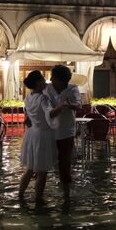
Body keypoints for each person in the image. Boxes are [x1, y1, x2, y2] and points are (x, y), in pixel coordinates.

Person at [18, 70, 65, 203]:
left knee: (30, 169)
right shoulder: (43, 98)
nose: (45, 82)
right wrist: (62, 106)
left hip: (31, 134)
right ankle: (39, 201)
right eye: (43, 80)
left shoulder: (27, 98)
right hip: (42, 135)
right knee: (42, 171)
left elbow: (27, 118)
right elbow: (49, 114)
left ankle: (20, 195)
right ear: (39, 83)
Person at [44, 65, 81, 200]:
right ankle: (43, 190)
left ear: (60, 79)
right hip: (49, 131)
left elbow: (78, 105)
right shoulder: (47, 89)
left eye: (53, 76)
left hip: (66, 131)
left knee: (65, 162)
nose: (50, 78)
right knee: (46, 162)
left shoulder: (72, 88)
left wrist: (68, 105)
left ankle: (66, 193)